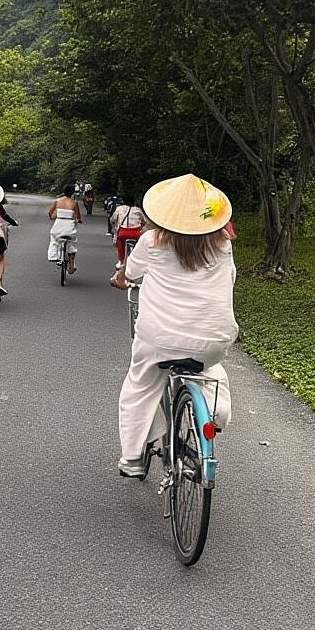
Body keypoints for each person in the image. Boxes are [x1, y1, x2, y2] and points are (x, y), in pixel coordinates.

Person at [110, 174, 238, 478]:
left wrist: (120, 279)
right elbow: (229, 278)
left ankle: (133, 457)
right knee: (209, 370)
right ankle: (212, 415)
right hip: (214, 337)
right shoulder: (222, 243)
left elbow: (131, 272)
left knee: (141, 383)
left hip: (160, 338)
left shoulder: (152, 240)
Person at [47, 183, 82, 274]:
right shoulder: (74, 203)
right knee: (71, 243)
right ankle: (71, 264)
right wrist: (77, 220)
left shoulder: (57, 201)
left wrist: (56, 216)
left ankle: (54, 256)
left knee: (54, 238)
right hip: (69, 228)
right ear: (73, 193)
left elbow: (50, 214)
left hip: (58, 226)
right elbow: (78, 218)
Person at [108, 193, 145, 268]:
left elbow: (112, 219)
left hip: (123, 233)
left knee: (120, 242)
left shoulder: (119, 209)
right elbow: (144, 221)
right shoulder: (138, 210)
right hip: (136, 233)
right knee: (139, 244)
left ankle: (121, 261)